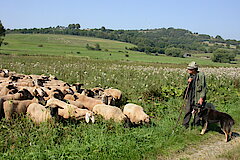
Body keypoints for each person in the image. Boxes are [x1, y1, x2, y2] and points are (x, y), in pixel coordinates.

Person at [183, 61, 207, 128]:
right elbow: (187, 86)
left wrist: (202, 98)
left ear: (194, 70)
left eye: (190, 69)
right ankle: (185, 125)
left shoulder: (201, 75)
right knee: (187, 110)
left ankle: (196, 125)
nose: (188, 70)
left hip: (198, 96)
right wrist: (188, 82)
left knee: (197, 111)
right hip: (190, 95)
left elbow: (204, 87)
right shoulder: (190, 76)